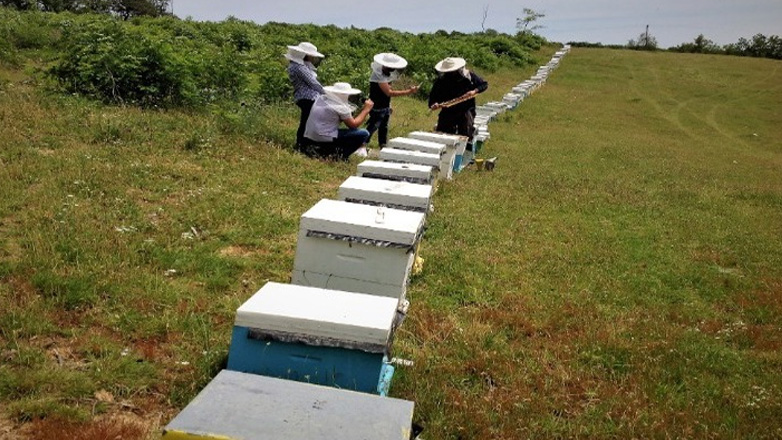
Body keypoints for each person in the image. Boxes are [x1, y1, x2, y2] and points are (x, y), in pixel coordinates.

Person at [427, 57, 488, 152]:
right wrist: (434, 105)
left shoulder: (468, 76)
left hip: (466, 109)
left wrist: (474, 91)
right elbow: (432, 99)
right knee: (442, 134)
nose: (451, 73)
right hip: (448, 111)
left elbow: (483, 84)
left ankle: (464, 156)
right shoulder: (441, 81)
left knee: (466, 132)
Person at [303, 82, 374, 161]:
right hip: (324, 137)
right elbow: (353, 125)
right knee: (364, 133)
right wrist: (366, 109)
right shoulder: (340, 107)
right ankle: (340, 156)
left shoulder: (321, 99)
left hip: (310, 135)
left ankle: (326, 151)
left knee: (345, 132)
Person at [366, 53, 419, 149]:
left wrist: (389, 105)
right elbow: (389, 92)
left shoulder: (385, 74)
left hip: (384, 106)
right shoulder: (378, 75)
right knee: (373, 126)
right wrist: (409, 91)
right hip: (377, 106)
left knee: (384, 127)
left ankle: (383, 145)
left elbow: (387, 94)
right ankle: (362, 144)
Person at [285, 42, 325, 149]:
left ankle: (304, 144)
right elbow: (313, 82)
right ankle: (302, 145)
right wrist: (327, 93)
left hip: (304, 97)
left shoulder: (297, 66)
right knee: (307, 122)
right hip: (308, 97)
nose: (313, 58)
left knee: (307, 121)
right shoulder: (299, 67)